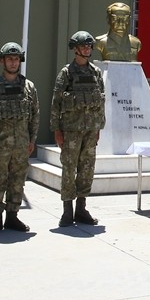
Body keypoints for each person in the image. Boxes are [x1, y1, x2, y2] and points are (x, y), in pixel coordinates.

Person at [0, 42, 39, 234]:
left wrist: (31, 140)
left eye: (16, 59)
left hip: (21, 145)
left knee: (17, 180)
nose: (13, 63)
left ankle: (13, 217)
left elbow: (35, 115)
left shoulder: (28, 87)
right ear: (2, 61)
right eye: (9, 59)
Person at [51, 30, 105, 227]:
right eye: (83, 46)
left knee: (87, 169)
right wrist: (57, 130)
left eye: (89, 46)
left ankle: (81, 208)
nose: (87, 49)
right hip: (71, 130)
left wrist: (99, 126)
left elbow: (101, 101)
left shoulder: (96, 73)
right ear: (75, 49)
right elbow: (56, 103)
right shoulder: (66, 73)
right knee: (69, 168)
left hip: (91, 130)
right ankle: (67, 210)